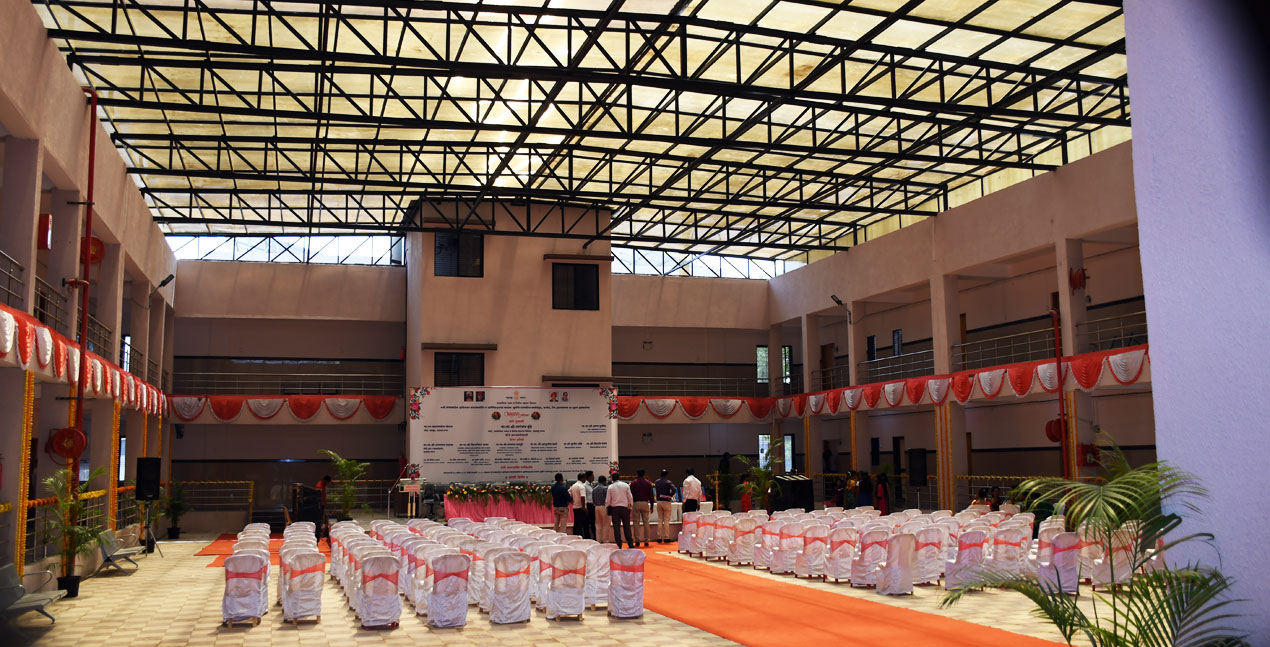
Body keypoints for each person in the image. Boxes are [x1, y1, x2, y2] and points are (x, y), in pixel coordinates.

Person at [606, 473, 634, 549]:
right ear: (619, 477)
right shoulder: (626, 485)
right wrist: (630, 506)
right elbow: (630, 497)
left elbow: (608, 499)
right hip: (624, 507)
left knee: (616, 527)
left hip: (615, 508)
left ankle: (619, 544)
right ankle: (630, 543)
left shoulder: (610, 487)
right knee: (627, 526)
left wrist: (607, 507)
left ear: (612, 478)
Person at [630, 469, 655, 547]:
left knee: (636, 523)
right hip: (645, 503)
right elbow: (651, 495)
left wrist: (630, 504)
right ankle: (646, 541)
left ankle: (637, 541)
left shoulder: (633, 483)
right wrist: (652, 506)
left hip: (636, 503)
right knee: (646, 522)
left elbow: (630, 494)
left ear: (637, 474)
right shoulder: (648, 483)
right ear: (644, 474)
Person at [654, 469, 678, 543]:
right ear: (666, 475)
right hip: (666, 501)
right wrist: (670, 495)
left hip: (659, 501)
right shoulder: (668, 482)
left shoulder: (656, 482)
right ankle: (666, 537)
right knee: (666, 520)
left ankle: (659, 537)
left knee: (660, 519)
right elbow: (674, 489)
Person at [570, 473, 590, 538]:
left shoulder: (573, 485)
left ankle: (575, 537)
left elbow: (570, 494)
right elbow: (582, 497)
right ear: (582, 478)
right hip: (581, 508)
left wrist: (573, 501)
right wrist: (584, 507)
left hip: (575, 507)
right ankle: (583, 538)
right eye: (585, 478)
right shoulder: (581, 486)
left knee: (576, 524)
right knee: (583, 524)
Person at [593, 475, 611, 543]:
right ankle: (605, 540)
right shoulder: (605, 488)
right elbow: (607, 499)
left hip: (596, 507)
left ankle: (598, 540)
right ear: (604, 481)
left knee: (598, 525)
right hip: (604, 507)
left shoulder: (594, 489)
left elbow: (593, 500)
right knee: (606, 524)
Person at [584, 470, 597, 540]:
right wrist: (585, 507)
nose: (593, 477)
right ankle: (587, 538)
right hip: (588, 506)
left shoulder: (591, 484)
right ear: (589, 477)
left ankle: (594, 537)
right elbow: (584, 497)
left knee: (593, 523)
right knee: (587, 523)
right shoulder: (585, 485)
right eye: (592, 476)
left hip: (592, 505)